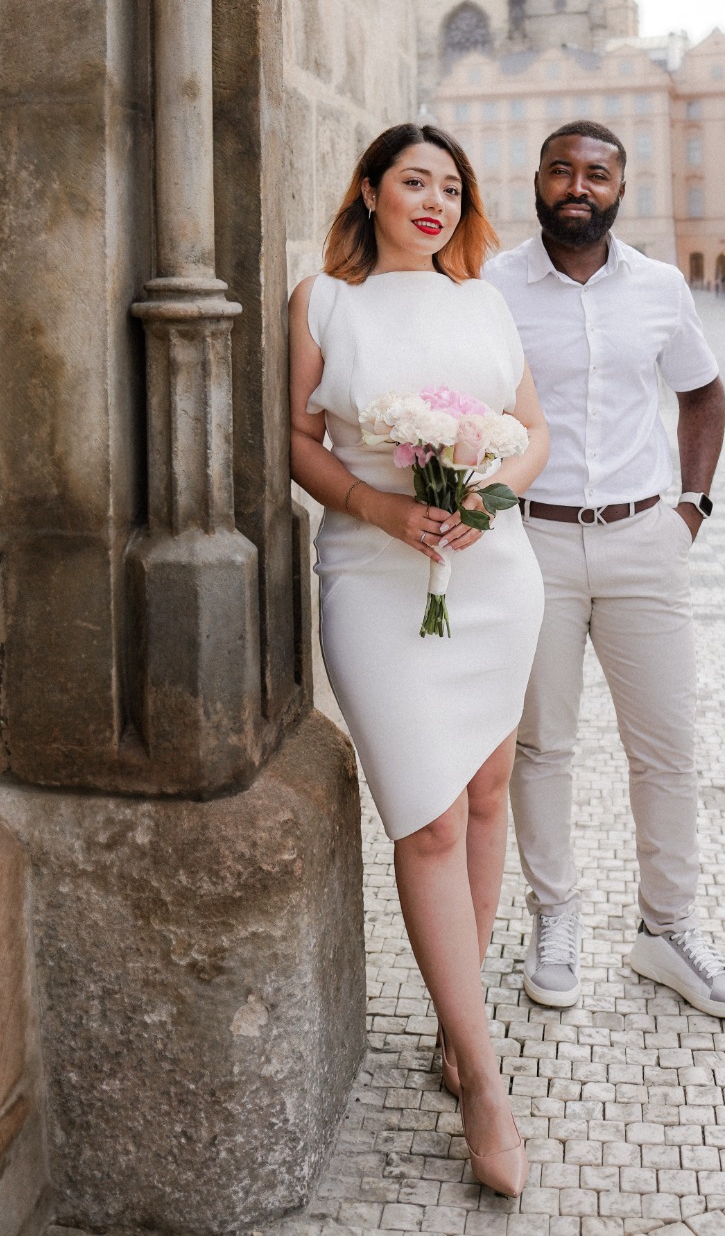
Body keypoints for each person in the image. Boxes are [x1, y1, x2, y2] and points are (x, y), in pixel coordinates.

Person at [288, 123, 549, 1199]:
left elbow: (532, 434)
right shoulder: (323, 302)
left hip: (490, 572)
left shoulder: (484, 302)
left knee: (486, 791)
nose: (434, 201)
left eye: (450, 186)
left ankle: (459, 1026)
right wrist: (380, 506)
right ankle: (485, 1085)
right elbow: (295, 438)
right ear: (371, 191)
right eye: (413, 181)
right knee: (428, 817)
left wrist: (484, 498)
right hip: (372, 569)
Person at [485, 121, 725, 1020]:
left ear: (619, 189)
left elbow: (702, 392)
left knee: (666, 746)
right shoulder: (493, 287)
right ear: (537, 182)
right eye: (561, 170)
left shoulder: (660, 287)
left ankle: (666, 930)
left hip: (644, 540)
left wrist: (692, 508)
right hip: (535, 542)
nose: (578, 186)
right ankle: (554, 917)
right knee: (542, 746)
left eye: (596, 174)